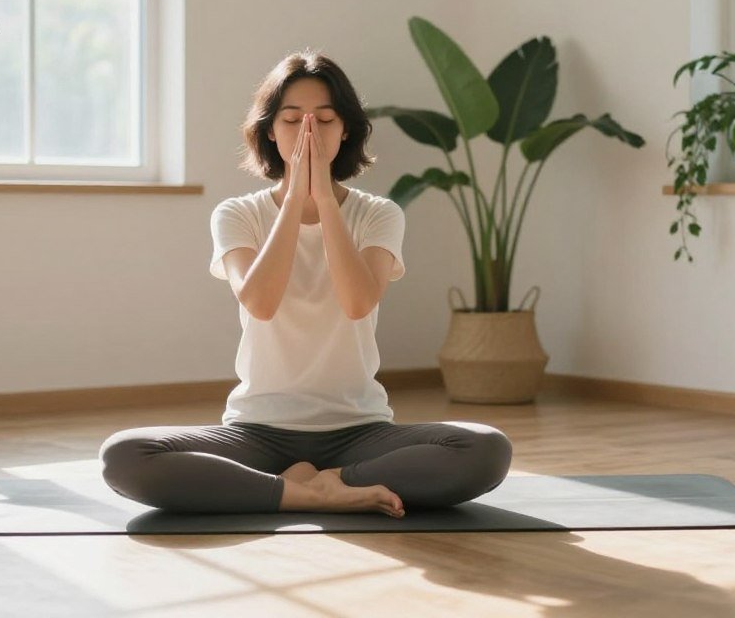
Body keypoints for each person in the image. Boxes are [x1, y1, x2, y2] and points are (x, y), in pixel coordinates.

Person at [99, 49, 512, 517]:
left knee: (486, 449)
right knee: (124, 455)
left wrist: (325, 201)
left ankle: (329, 482)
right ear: (270, 131)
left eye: (325, 119)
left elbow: (358, 302)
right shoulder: (237, 214)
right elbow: (260, 301)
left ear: (347, 130)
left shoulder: (378, 214)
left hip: (359, 431)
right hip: (258, 430)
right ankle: (303, 493)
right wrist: (296, 198)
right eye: (293, 120)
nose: (308, 133)